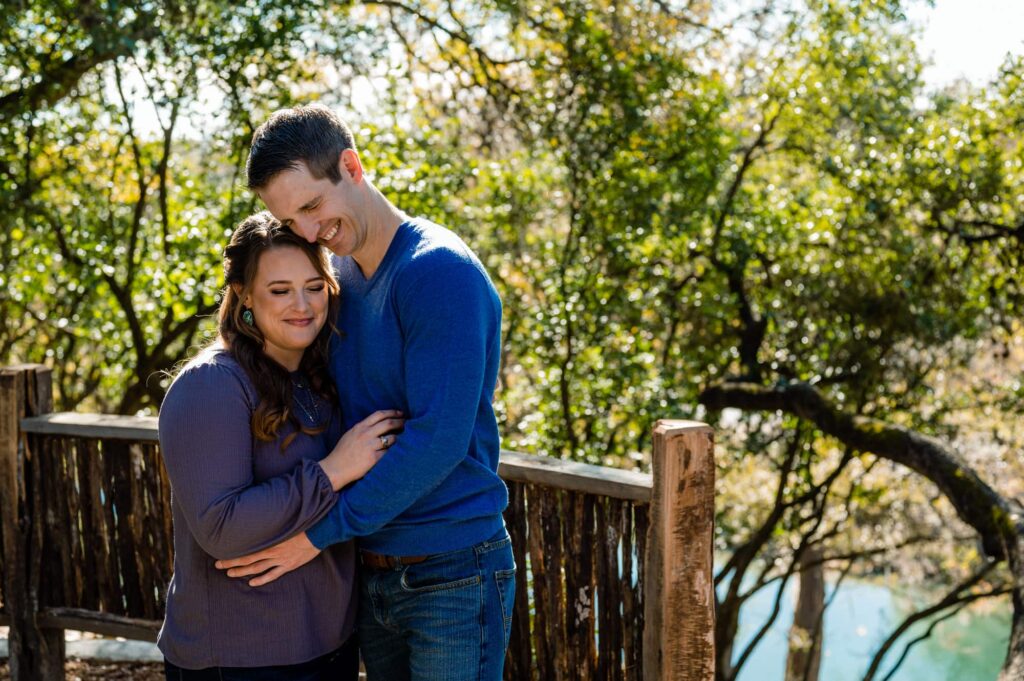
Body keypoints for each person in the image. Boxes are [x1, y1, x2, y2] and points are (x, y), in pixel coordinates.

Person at [215, 104, 516, 680]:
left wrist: (316, 534)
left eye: (311, 207)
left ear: (351, 166)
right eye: (291, 219)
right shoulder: (341, 279)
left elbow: (439, 439)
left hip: (451, 572)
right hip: (372, 571)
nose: (308, 233)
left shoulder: (437, 272)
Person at [158, 212, 403, 680]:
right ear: (245, 295)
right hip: (240, 658)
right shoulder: (212, 384)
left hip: (330, 645)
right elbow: (221, 527)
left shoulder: (318, 376)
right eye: (279, 290)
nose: (302, 305)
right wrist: (333, 471)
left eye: (314, 286)